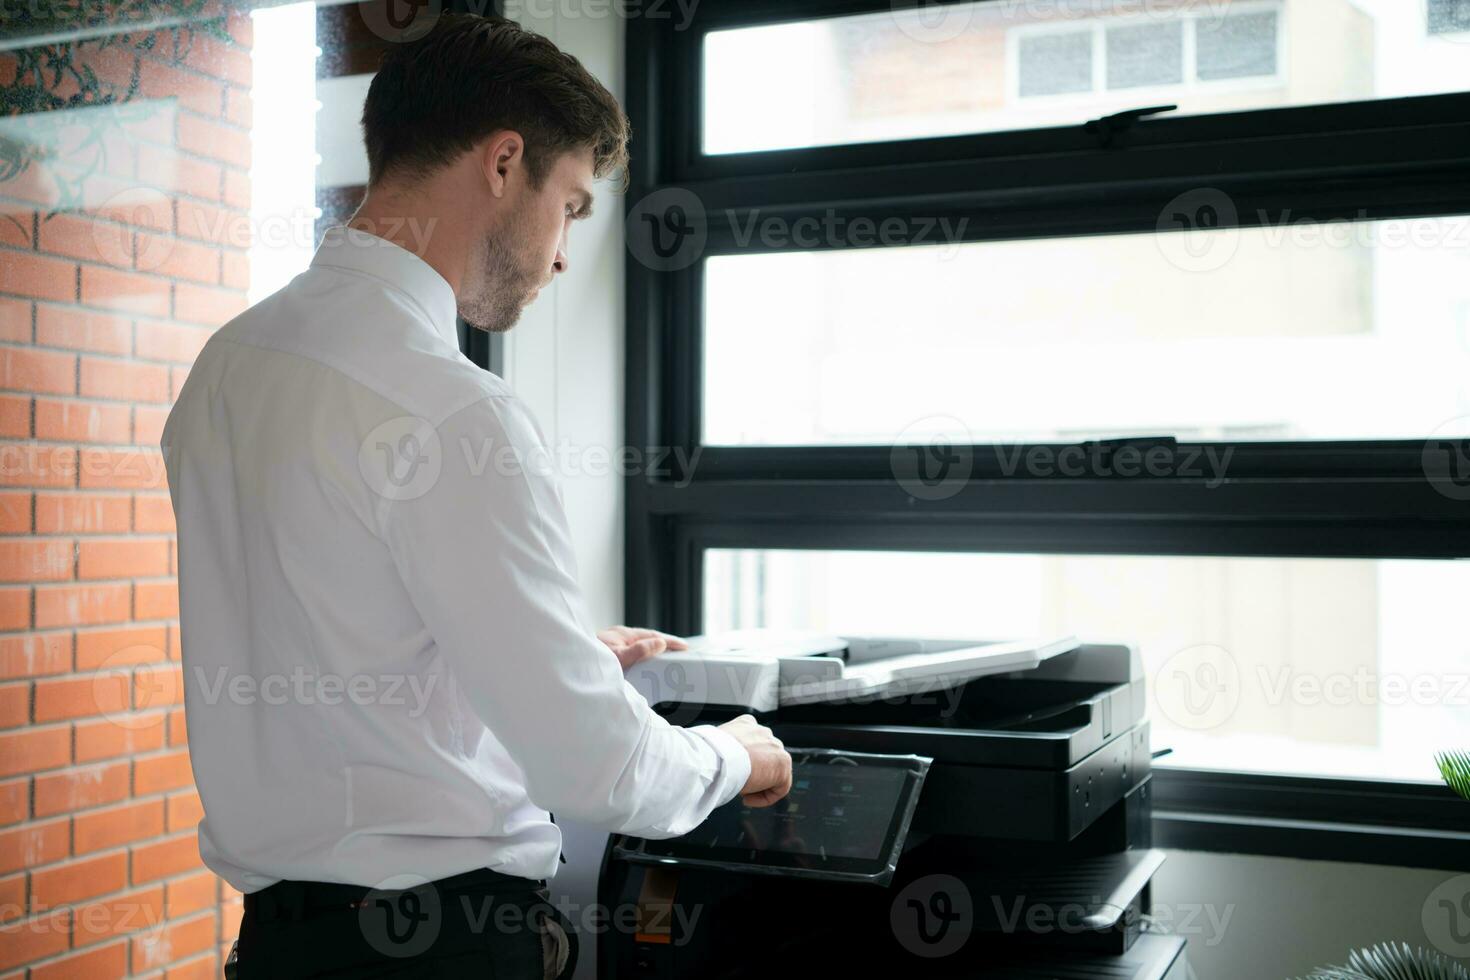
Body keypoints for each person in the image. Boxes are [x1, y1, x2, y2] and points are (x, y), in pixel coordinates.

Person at [161, 13, 791, 978]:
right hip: (444, 947)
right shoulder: (457, 413)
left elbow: (328, 630)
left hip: (278, 947)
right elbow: (597, 768)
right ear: (504, 164)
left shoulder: (227, 366)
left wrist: (546, 651)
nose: (565, 254)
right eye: (572, 206)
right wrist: (737, 756)